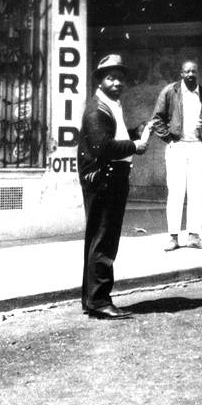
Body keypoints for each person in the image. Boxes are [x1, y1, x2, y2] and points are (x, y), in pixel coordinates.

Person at [77, 54, 152, 320]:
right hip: (106, 180)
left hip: (109, 178)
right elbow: (104, 147)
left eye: (120, 77)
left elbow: (113, 137)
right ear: (100, 81)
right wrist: (135, 145)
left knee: (98, 238)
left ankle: (92, 299)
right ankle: (99, 301)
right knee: (104, 241)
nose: (117, 82)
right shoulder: (97, 109)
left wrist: (135, 132)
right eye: (111, 77)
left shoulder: (110, 105)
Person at [151, 60, 202, 252]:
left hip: (198, 147)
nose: (191, 74)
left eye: (194, 71)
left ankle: (194, 236)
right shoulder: (170, 92)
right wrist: (169, 137)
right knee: (176, 191)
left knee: (197, 192)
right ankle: (173, 237)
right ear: (181, 73)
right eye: (187, 71)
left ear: (198, 73)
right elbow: (157, 118)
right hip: (177, 147)